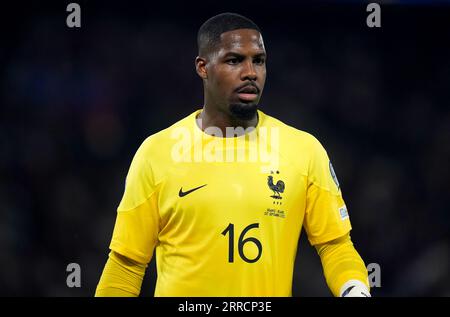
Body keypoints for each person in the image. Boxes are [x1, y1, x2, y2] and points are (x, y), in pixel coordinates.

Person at [95, 12, 370, 297]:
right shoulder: (156, 153)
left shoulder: (304, 150)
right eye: (234, 60)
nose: (250, 72)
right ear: (203, 67)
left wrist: (354, 289)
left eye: (259, 61)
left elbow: (336, 245)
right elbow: (126, 266)